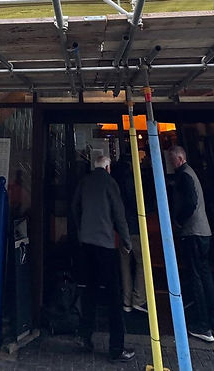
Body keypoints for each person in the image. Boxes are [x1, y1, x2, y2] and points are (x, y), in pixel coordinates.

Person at [72, 154, 136, 363]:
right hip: (105, 245)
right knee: (113, 296)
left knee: (89, 290)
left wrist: (81, 230)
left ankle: (85, 336)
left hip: (86, 244)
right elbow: (119, 214)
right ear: (108, 167)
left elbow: (75, 208)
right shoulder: (110, 183)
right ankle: (116, 348)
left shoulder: (84, 182)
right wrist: (126, 241)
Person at [167, 145, 214, 343]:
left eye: (171, 160)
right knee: (204, 275)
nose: (170, 164)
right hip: (203, 232)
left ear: (180, 159)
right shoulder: (190, 173)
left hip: (192, 232)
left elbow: (191, 203)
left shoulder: (184, 176)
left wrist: (179, 220)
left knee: (196, 277)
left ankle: (203, 325)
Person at [112, 152, 147, 314]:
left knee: (124, 263)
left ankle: (126, 300)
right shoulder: (131, 180)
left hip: (121, 227)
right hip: (134, 226)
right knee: (142, 261)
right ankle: (139, 298)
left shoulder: (115, 181)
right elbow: (134, 203)